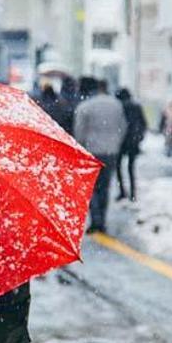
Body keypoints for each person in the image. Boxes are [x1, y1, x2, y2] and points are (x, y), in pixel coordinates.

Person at [73, 80, 127, 234]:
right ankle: (102, 219)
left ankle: (95, 220)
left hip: (92, 151)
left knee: (92, 188)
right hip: (111, 151)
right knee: (105, 186)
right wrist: (116, 143)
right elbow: (123, 127)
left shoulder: (85, 106)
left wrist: (81, 147)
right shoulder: (116, 105)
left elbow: (79, 131)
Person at [115, 88, 147, 201]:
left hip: (121, 140)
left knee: (118, 167)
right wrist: (139, 137)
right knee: (131, 167)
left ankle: (122, 191)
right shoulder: (136, 106)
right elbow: (143, 123)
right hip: (133, 140)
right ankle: (133, 193)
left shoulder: (119, 107)